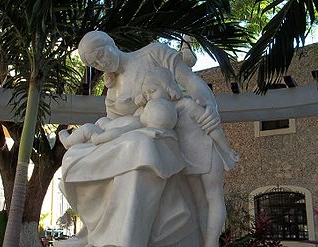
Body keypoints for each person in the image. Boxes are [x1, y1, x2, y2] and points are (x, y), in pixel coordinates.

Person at [57, 30, 223, 247]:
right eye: (95, 63)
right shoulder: (112, 90)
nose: (101, 62)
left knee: (139, 147)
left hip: (162, 134)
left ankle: (127, 238)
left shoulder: (153, 53)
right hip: (129, 137)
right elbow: (113, 124)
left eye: (100, 54)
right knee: (73, 157)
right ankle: (98, 232)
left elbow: (191, 81)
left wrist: (210, 105)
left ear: (110, 43)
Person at [138, 67, 239, 247]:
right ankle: (203, 239)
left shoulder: (189, 105)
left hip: (208, 154)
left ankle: (212, 242)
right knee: (200, 203)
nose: (149, 97)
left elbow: (212, 128)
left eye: (152, 91)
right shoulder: (161, 113)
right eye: (146, 94)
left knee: (214, 197)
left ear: (167, 86)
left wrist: (227, 149)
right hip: (188, 162)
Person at [59, 98, 177, 149]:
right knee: (100, 122)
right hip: (106, 124)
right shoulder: (140, 118)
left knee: (87, 129)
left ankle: (67, 142)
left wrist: (99, 138)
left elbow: (117, 132)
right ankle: (76, 137)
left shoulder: (137, 125)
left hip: (103, 132)